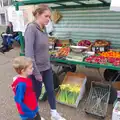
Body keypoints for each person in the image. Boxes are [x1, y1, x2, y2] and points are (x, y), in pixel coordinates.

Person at [24, 4, 66, 120]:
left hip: (46, 67)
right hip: (35, 70)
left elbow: (42, 49)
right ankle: (34, 116)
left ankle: (54, 114)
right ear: (38, 15)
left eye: (49, 16)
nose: (48, 19)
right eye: (46, 16)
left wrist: (52, 54)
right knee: (35, 95)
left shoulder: (44, 29)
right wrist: (36, 73)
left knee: (51, 90)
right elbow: (29, 54)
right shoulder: (31, 28)